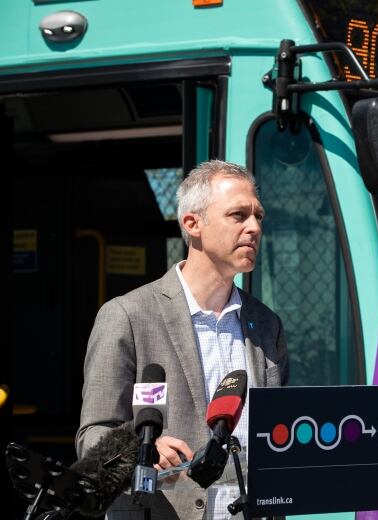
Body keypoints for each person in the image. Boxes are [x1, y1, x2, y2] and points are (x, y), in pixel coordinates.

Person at [76, 160, 289, 519]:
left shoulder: (267, 325)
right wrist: (141, 450)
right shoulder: (127, 316)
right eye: (238, 215)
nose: (254, 228)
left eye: (258, 216)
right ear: (193, 224)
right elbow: (92, 438)